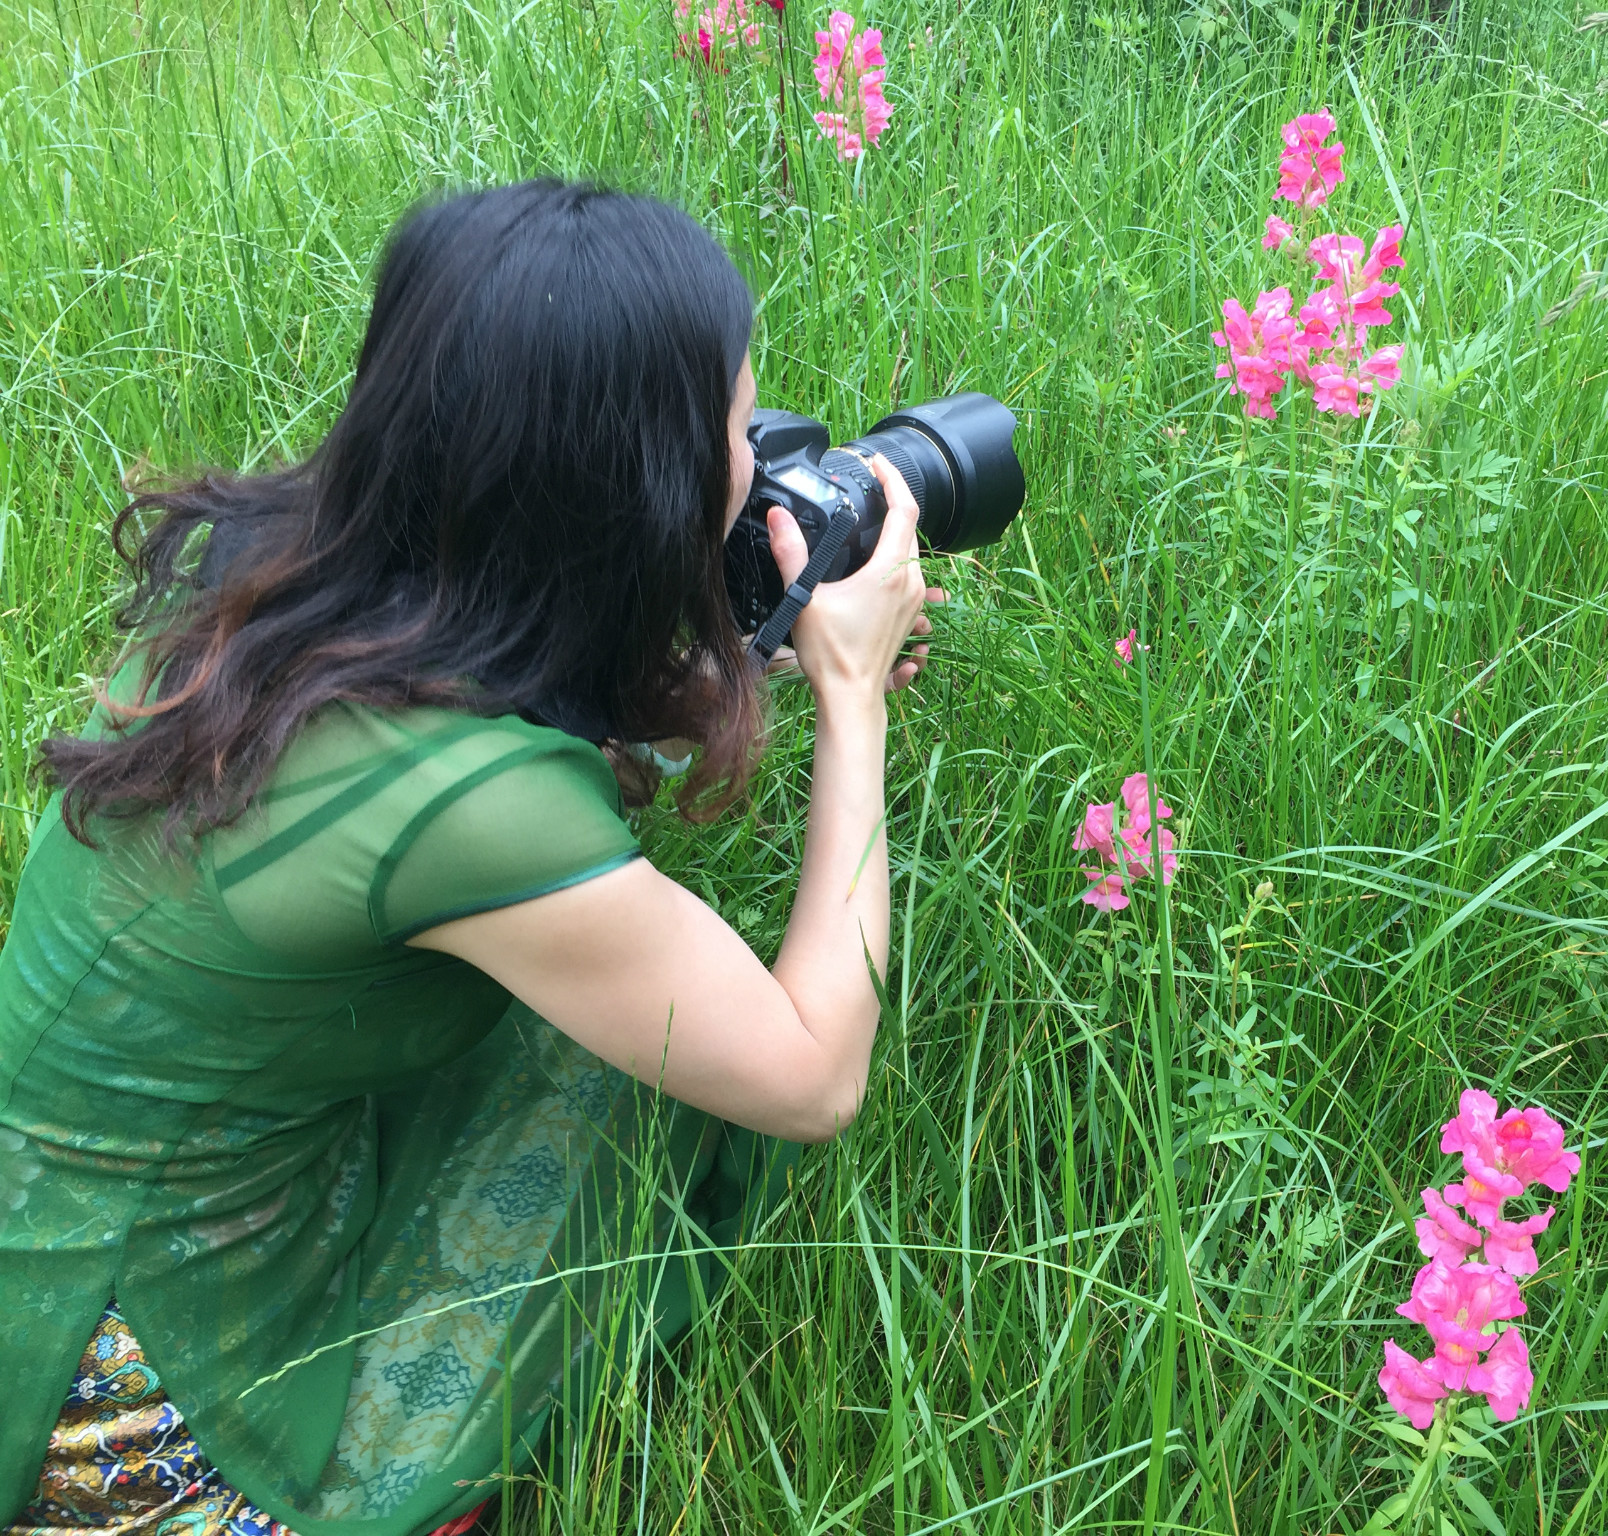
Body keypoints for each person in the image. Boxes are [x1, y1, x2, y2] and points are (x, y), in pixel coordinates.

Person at [0, 180, 942, 1536]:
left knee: (622, 985)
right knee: (654, 1045)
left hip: (61, 1223)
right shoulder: (481, 812)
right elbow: (810, 1076)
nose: (753, 455)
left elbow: (504, 716)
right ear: (633, 484)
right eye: (738, 425)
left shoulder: (280, 586)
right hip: (127, 1400)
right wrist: (850, 701)